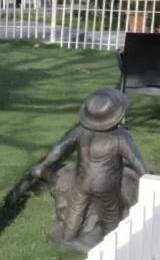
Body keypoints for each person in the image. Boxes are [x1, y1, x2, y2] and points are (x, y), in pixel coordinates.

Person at [31, 88, 150, 250]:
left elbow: (59, 149)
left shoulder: (80, 132)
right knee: (110, 215)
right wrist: (148, 177)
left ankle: (68, 237)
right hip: (106, 184)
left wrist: (44, 166)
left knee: (76, 209)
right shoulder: (121, 136)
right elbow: (136, 161)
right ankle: (112, 242)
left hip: (83, 181)